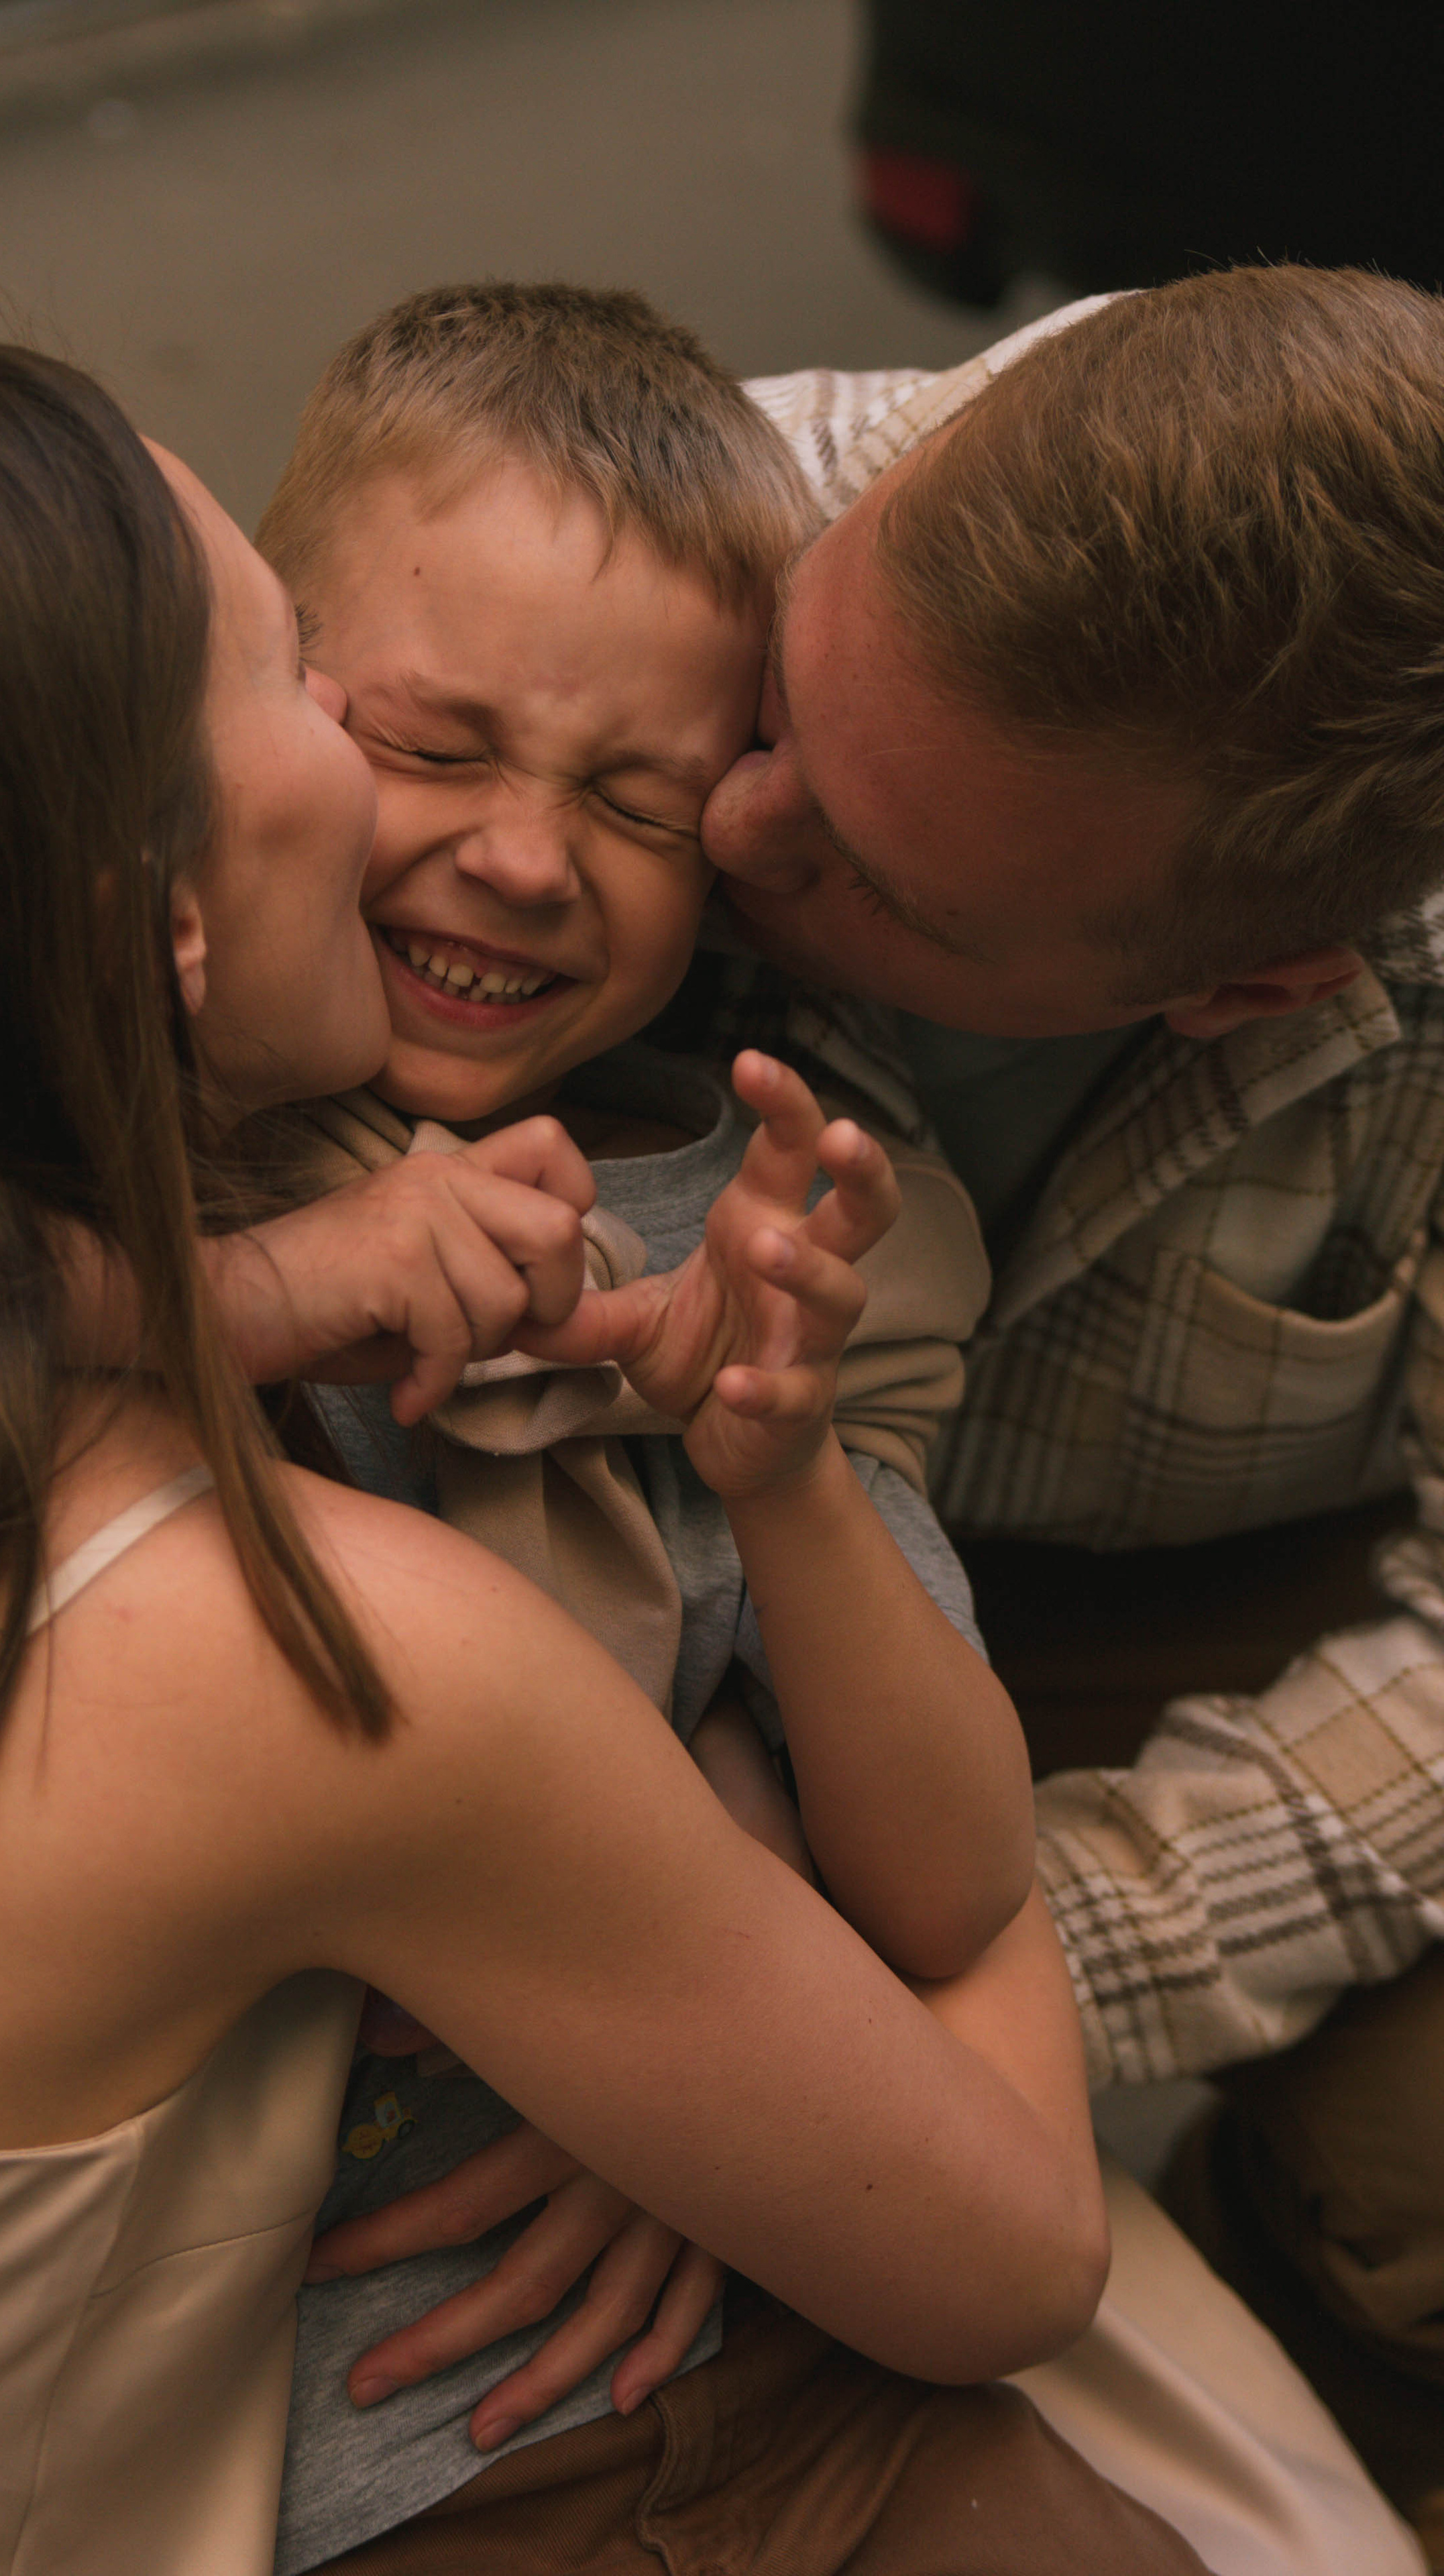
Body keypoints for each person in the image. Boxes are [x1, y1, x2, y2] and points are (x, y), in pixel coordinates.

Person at [0, 336, 1210, 2576]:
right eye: (335, 705)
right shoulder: (310, 1654)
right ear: (166, 916)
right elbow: (1004, 2255)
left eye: (639, 797)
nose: (503, 854)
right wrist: (735, 1873)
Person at [230, 284, 1025, 2564]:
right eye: (430, 739)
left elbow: (957, 1874)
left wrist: (784, 1490)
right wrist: (270, 1282)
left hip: (787, 2338)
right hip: (348, 2466)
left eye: (633, 799)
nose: (521, 854)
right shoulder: (91, 1141)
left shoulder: (769, 1224)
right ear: (256, 710)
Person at [691, 262, 1444, 2546]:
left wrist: (1001, 1998)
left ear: (1250, 984)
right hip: (641, 1573)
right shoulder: (666, 506)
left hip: (1155, 1619)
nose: (726, 829)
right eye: (777, 703)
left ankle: (1308, 2297)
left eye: (872, 875)